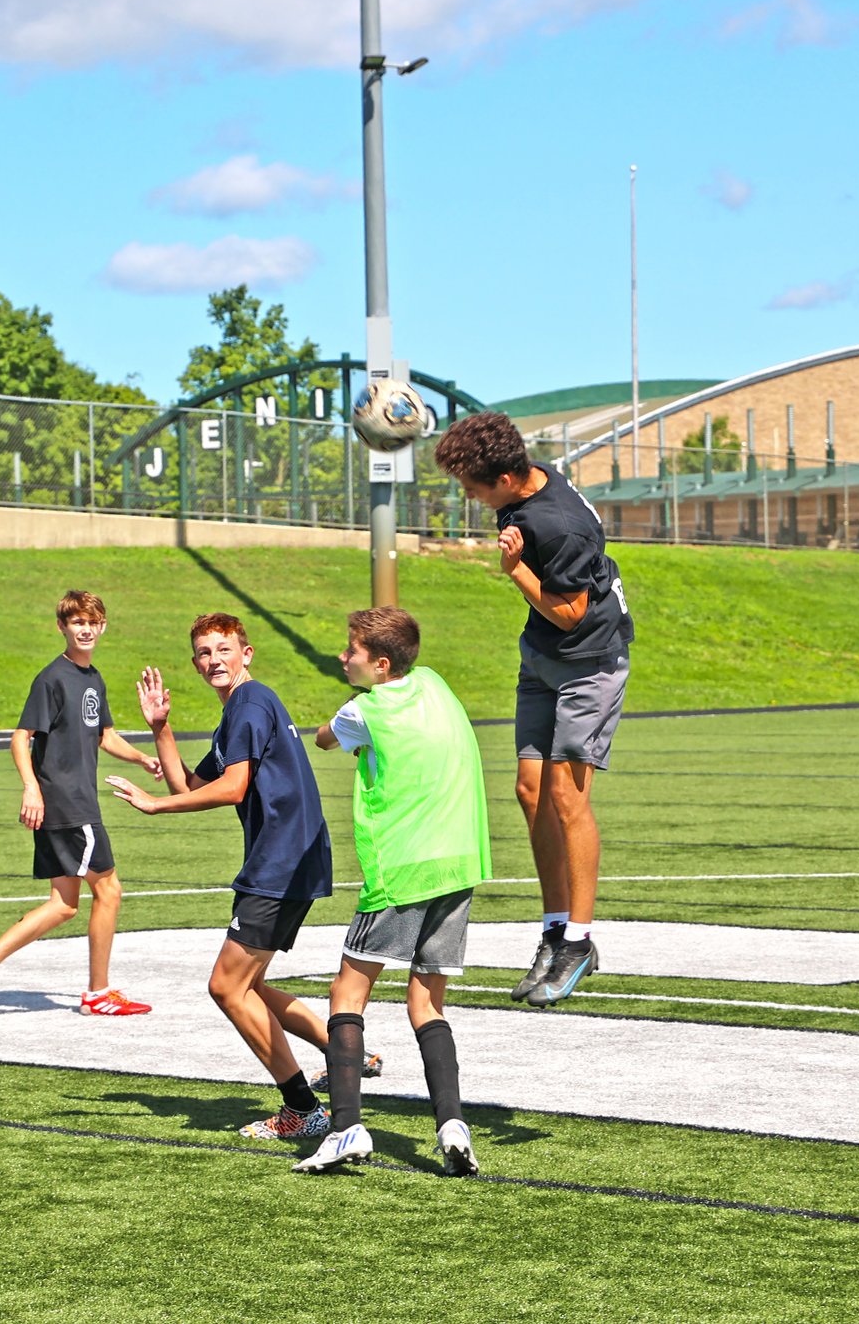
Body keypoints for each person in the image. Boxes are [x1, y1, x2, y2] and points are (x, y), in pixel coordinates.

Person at [109, 613, 334, 1141]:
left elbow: (232, 788)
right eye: (204, 653)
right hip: (290, 858)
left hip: (279, 860)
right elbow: (192, 783)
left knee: (227, 986)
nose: (214, 660)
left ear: (246, 653)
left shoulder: (250, 704)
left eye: (224, 649)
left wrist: (156, 806)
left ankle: (303, 1109)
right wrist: (161, 727)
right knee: (247, 983)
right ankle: (345, 1050)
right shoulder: (241, 710)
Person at [433, 411, 632, 1007]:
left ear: (505, 478)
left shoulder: (559, 526)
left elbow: (570, 612)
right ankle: (553, 926)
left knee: (569, 796)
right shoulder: (529, 484)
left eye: (472, 486)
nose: (468, 497)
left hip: (588, 660)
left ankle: (580, 939)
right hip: (542, 657)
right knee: (529, 789)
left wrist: (515, 569)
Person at [293, 607, 491, 1177]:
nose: (341, 657)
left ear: (380, 665)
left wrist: (351, 731)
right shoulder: (434, 683)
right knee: (427, 1002)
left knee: (346, 992)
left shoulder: (363, 709)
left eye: (350, 650)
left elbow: (324, 739)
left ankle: (346, 1128)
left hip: (400, 871)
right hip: (458, 866)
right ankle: (452, 1123)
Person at [0, 590, 159, 1022]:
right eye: (76, 622)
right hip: (68, 803)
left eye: (92, 622)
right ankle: (97, 992)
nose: (85, 629)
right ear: (61, 627)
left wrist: (141, 757)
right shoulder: (53, 678)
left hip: (73, 804)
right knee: (109, 890)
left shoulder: (93, 679)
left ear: (102, 627)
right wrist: (31, 788)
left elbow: (103, 734)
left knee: (64, 903)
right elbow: (20, 737)